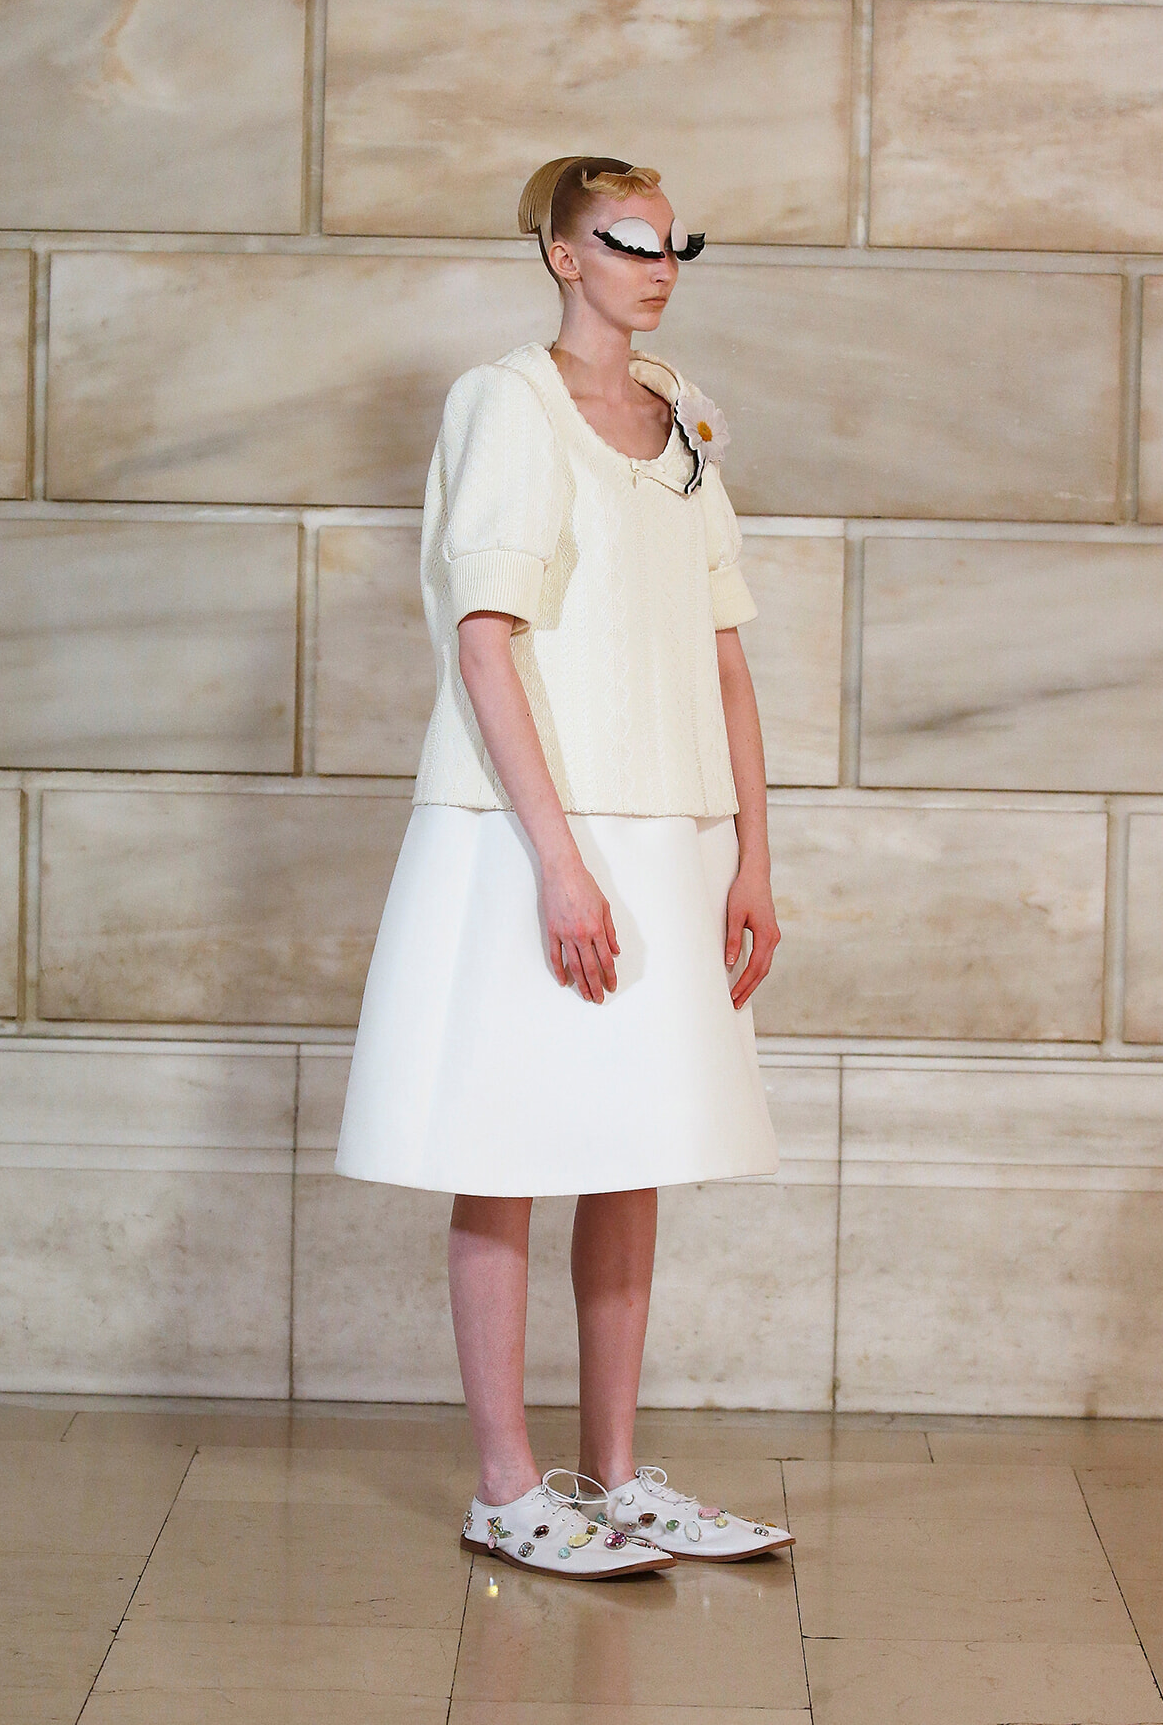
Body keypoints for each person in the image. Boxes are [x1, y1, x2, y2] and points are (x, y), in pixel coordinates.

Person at [335, 154, 795, 1580]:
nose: (660, 265)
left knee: (634, 1148)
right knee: (510, 1143)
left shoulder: (682, 418)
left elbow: (724, 656)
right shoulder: (506, 403)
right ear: (560, 253)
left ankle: (612, 1475)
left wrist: (753, 857)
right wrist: (559, 863)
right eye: (629, 240)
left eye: (678, 242)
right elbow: (487, 637)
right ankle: (504, 1483)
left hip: (672, 835)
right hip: (539, 832)